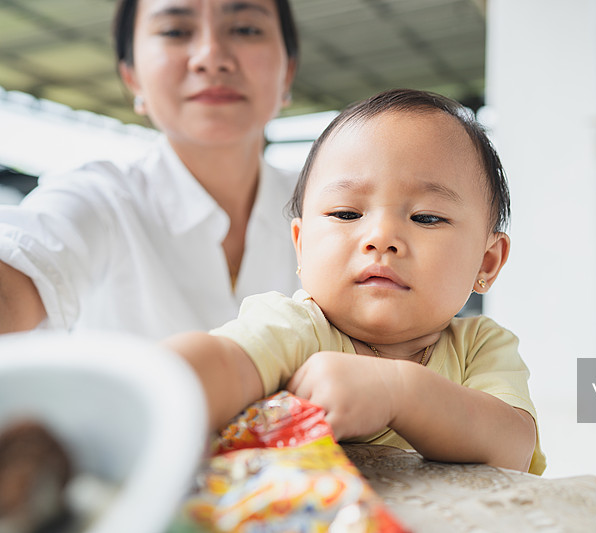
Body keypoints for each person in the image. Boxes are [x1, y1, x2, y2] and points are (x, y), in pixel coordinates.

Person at [165, 88, 546, 475]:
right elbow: (223, 364)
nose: (381, 237)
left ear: (486, 261)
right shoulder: (294, 328)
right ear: (301, 245)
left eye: (427, 217)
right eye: (347, 213)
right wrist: (152, 379)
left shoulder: (479, 347)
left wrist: (399, 392)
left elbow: (512, 447)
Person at [0, 0, 300, 338]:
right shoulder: (100, 199)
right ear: (133, 77)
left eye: (246, 29)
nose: (211, 58)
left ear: (287, 71)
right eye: (174, 31)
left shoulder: (333, 206)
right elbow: (23, 260)